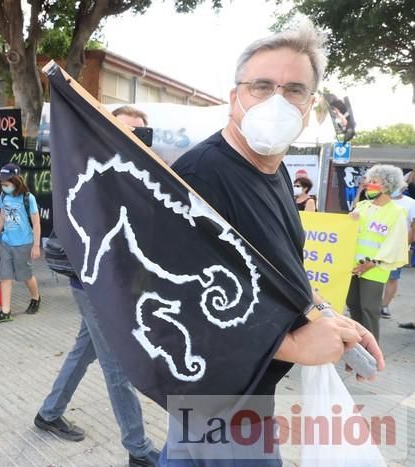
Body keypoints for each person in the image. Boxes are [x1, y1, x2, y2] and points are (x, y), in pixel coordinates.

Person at [161, 21, 384, 465]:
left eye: (295, 89)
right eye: (262, 86)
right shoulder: (201, 176)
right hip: (221, 396)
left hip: (247, 390)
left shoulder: (275, 170)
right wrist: (296, 346)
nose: (278, 101)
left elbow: (283, 270)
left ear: (311, 105)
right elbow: (180, 298)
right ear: (234, 97)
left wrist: (327, 315)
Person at [34, 107, 159, 467]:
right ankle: (138, 448)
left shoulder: (135, 174)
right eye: (124, 130)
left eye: (139, 132)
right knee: (118, 365)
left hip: (117, 283)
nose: (132, 137)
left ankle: (49, 413)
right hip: (93, 285)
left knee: (83, 351)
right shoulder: (89, 167)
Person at [347, 165, 409, 340]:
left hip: (375, 268)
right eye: (369, 181)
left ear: (387, 186)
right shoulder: (362, 206)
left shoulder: (396, 213)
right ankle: (357, 346)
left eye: (375, 182)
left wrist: (372, 263)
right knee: (353, 305)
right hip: (353, 266)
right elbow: (348, 232)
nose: (369, 185)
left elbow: (395, 243)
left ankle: (371, 353)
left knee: (369, 309)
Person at [0, 163, 41, 324]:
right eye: (2, 184)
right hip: (6, 243)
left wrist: (36, 245)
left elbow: (36, 223)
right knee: (5, 277)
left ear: (16, 181)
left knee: (26, 276)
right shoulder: (4, 197)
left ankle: (35, 297)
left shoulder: (28, 198)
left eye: (6, 184)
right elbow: (2, 218)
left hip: (24, 243)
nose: (3, 187)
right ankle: (5, 311)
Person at [381, 178, 415, 319]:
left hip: (398, 246)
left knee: (392, 277)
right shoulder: (382, 199)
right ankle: (370, 303)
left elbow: (413, 227)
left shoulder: (411, 203)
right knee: (376, 277)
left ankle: (384, 305)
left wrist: (406, 245)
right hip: (378, 244)